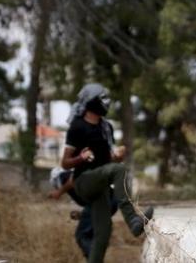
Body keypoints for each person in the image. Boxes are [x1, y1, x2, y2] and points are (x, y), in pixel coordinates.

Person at [60, 83, 153, 263]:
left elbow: (108, 164)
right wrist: (80, 158)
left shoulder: (106, 127)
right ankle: (133, 220)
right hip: (83, 181)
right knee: (119, 170)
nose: (107, 102)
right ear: (91, 101)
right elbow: (64, 163)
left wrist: (117, 156)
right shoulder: (77, 127)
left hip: (100, 185)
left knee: (102, 234)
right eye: (103, 98)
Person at [48, 167, 118, 258]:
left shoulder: (63, 176)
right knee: (91, 235)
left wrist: (59, 192)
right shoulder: (78, 187)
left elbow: (72, 180)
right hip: (111, 202)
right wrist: (81, 215)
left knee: (82, 235)